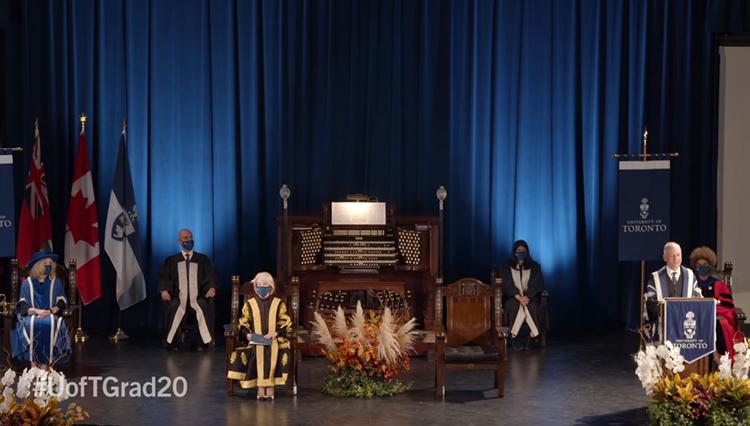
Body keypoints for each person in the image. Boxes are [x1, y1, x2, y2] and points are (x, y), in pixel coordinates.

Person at [227, 272, 293, 400]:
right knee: (258, 349)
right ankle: (260, 386)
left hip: (274, 339)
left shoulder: (279, 304)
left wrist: (275, 332)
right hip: (255, 339)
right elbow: (243, 323)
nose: (262, 287)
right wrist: (248, 335)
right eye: (259, 285)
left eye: (265, 285)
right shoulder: (249, 304)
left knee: (272, 349)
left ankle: (270, 387)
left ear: (271, 287)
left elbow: (285, 321)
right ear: (255, 287)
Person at [158, 228, 217, 350]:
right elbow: (164, 277)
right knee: (174, 306)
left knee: (203, 306)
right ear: (179, 241)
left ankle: (200, 343)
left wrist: (211, 288)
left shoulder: (203, 259)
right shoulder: (171, 260)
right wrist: (164, 290)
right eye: (185, 238)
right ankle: (174, 342)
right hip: (177, 297)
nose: (189, 240)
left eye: (190, 237)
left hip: (198, 296)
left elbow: (211, 276)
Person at [11, 251, 72, 367]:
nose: (48, 265)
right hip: (32, 314)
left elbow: (62, 302)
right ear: (38, 265)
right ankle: (33, 364)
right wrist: (37, 311)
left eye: (50, 263)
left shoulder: (56, 282)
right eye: (45, 263)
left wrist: (49, 311)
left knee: (50, 323)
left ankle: (46, 365)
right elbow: (23, 304)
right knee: (31, 324)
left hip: (50, 314)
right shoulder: (27, 283)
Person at [644, 242, 702, 341]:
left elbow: (698, 300)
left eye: (678, 255)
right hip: (664, 326)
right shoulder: (656, 277)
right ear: (664, 258)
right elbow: (651, 302)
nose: (676, 259)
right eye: (672, 256)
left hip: (686, 326)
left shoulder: (690, 275)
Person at [690, 246, 740, 358]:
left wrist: (709, 310)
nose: (702, 268)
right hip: (695, 316)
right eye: (699, 266)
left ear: (710, 266)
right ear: (695, 267)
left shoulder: (719, 285)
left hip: (715, 317)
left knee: (722, 323)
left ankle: (722, 359)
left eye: (705, 265)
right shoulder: (691, 284)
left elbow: (727, 307)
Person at [500, 240, 544, 350]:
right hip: (513, 297)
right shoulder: (506, 267)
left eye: (524, 250)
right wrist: (519, 297)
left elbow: (537, 283)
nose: (521, 252)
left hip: (530, 297)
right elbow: (506, 284)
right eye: (519, 250)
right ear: (514, 252)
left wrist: (527, 296)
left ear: (528, 252)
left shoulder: (534, 266)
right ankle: (527, 335)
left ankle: (519, 336)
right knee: (513, 306)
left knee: (532, 306)